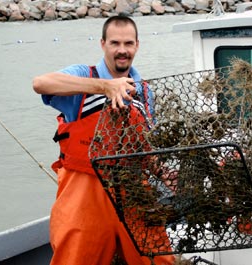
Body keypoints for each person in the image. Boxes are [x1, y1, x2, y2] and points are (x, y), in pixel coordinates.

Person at [33, 15, 175, 265]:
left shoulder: (144, 90)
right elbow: (41, 83)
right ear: (103, 44)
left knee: (158, 259)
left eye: (128, 43)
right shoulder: (83, 76)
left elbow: (144, 146)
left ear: (137, 46)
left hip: (133, 194)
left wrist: (162, 171)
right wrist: (104, 87)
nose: (122, 50)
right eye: (115, 43)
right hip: (84, 197)